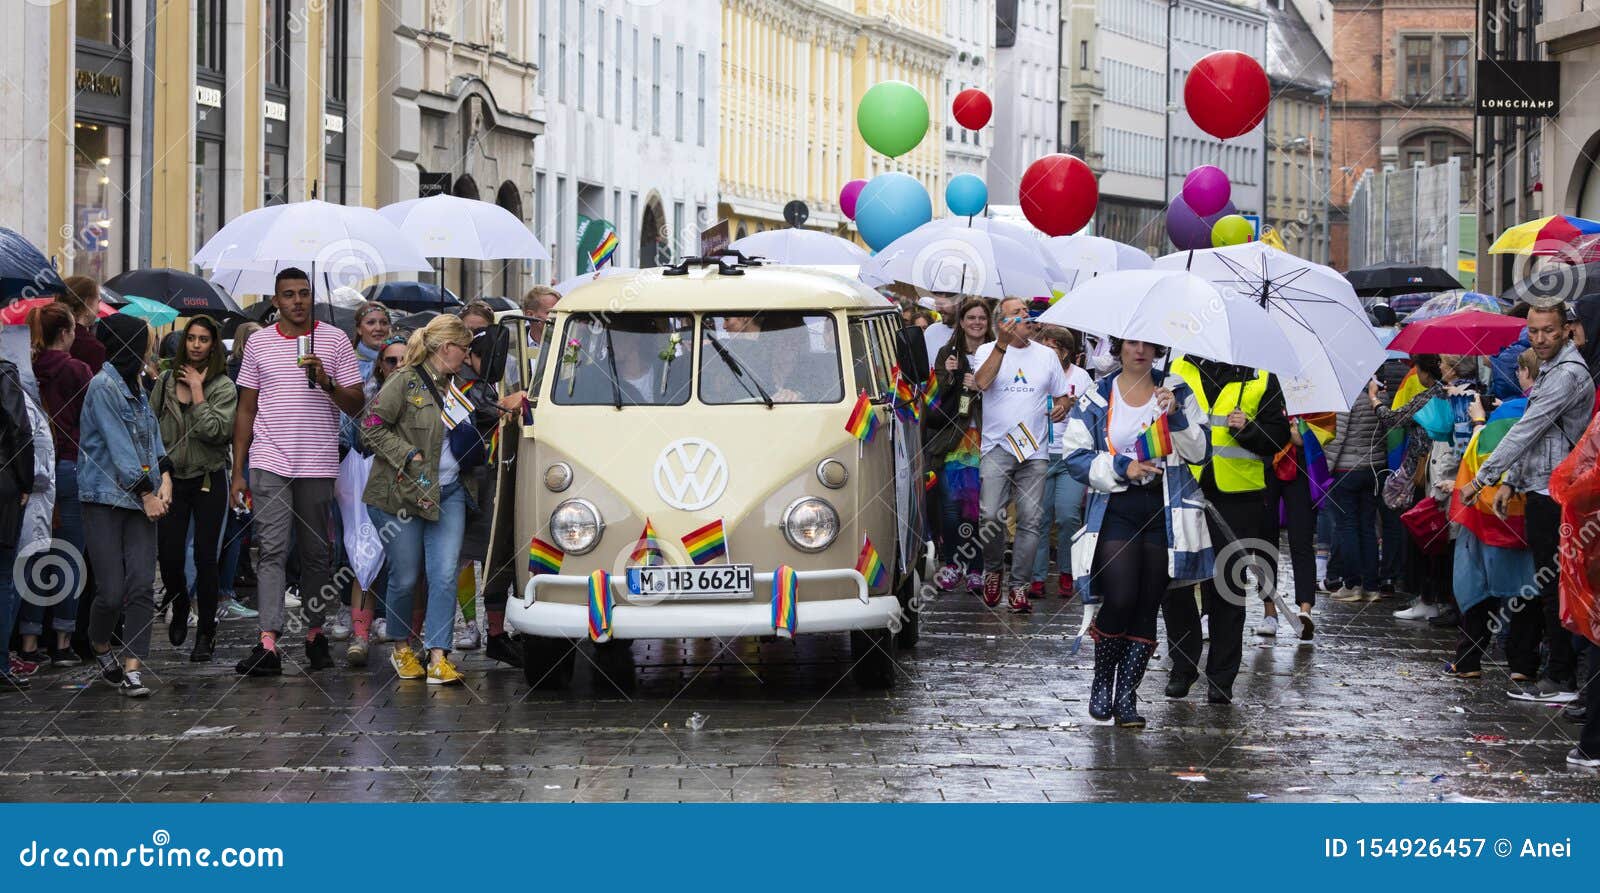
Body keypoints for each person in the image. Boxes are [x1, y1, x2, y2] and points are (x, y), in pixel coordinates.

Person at [1062, 338, 1211, 728]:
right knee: (1122, 594)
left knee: (1147, 602)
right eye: (1132, 343)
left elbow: (1200, 452)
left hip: (1164, 509)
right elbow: (1075, 456)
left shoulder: (1176, 389)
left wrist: (1176, 416)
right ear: (1119, 348)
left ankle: (1127, 697)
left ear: (1159, 349)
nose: (1140, 351)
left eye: (1148, 344)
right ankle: (1101, 682)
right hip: (1116, 507)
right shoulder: (1097, 395)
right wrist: (1121, 468)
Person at [231, 268, 365, 677]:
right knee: (270, 549)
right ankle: (268, 641)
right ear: (276, 302)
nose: (297, 301)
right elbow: (246, 409)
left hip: (318, 461)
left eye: (303, 294)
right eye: (288, 295)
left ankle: (315, 632)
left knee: (315, 553)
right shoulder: (259, 343)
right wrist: (238, 471)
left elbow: (357, 404)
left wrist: (326, 381)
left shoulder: (335, 340)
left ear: (311, 298)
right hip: (269, 460)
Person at [1460, 303, 1596, 703]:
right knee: (1548, 585)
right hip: (1540, 488)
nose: (1539, 339)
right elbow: (1541, 440)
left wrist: (1485, 478)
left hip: (1557, 495)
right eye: (1533, 331)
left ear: (1567, 330)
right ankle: (1560, 675)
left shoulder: (1567, 374)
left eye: (1548, 331)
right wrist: (1512, 483)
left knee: (1554, 587)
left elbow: (1528, 429)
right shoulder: (1552, 370)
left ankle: (1562, 678)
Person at [359, 315, 483, 686]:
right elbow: (369, 429)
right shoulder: (404, 380)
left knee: (444, 575)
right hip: (401, 495)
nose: (467, 355)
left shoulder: (457, 387)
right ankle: (401, 647)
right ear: (447, 348)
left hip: (449, 492)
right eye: (464, 348)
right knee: (407, 576)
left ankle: (438, 655)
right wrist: (408, 455)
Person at [1162, 355, 1290, 703]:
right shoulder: (1176, 368)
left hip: (1238, 496)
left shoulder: (1261, 375)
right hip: (1184, 489)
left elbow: (1278, 439)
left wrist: (1249, 428)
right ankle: (1183, 666)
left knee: (1227, 586)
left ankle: (1222, 677)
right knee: (1177, 583)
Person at [78, 315, 170, 698]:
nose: (150, 347)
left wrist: (165, 475)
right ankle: (99, 644)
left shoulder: (136, 383)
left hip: (140, 498)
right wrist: (146, 491)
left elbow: (151, 437)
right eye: (145, 341)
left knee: (141, 586)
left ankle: (133, 667)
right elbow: (118, 446)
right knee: (111, 592)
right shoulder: (103, 386)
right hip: (105, 497)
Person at [971, 296, 1074, 613]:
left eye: (1026, 312)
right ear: (1001, 321)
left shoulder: (1046, 356)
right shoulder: (986, 351)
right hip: (996, 448)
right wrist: (1001, 345)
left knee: (1031, 519)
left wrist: (1061, 407)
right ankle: (993, 570)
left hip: (1035, 450)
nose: (1025, 316)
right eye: (1016, 313)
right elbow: (981, 383)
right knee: (989, 516)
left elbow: (1062, 396)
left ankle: (1019, 587)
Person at [150, 316, 237, 661]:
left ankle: (206, 633)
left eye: (204, 339)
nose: (197, 344)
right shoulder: (168, 381)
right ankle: (180, 602)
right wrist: (159, 468)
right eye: (192, 338)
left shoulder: (223, 387)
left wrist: (199, 393)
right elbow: (150, 425)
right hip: (172, 478)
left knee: (205, 557)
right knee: (169, 556)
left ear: (213, 345)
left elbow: (217, 432)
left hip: (208, 477)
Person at [22, 303, 91, 665]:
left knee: (36, 553)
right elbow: (91, 419)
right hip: (71, 464)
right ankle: (63, 639)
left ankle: (31, 640)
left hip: (35, 470)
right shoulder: (77, 369)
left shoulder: (28, 369)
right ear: (65, 333)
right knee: (68, 555)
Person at [927, 298, 993, 595]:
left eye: (982, 318)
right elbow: (935, 399)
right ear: (962, 322)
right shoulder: (947, 353)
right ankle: (953, 564)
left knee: (976, 510)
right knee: (952, 508)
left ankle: (977, 569)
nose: (977, 322)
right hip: (954, 439)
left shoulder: (996, 354)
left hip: (987, 439)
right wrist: (949, 376)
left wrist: (979, 385)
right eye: (971, 317)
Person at [1029, 326, 1093, 599]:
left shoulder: (1082, 377)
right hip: (1039, 454)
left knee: (1068, 516)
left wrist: (1077, 405)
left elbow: (1095, 417)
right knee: (1039, 519)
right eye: (1042, 346)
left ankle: (1068, 572)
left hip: (1070, 458)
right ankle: (1037, 577)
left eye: (1052, 347)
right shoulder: (1034, 372)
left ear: (1065, 352)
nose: (1046, 352)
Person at [1324, 367, 1390, 602]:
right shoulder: (1380, 395)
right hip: (1373, 470)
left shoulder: (1346, 395)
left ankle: (1353, 584)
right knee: (1368, 528)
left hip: (1346, 470)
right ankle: (1371, 586)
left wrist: (1325, 469)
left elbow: (1338, 437)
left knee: (1347, 527)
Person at [215, 323, 262, 622]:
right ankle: (224, 592)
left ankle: (224, 588)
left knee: (235, 525)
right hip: (239, 457)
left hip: (237, 456)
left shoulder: (228, 370)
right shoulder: (240, 373)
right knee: (236, 523)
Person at [0, 350, 37, 691]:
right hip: (4, 486)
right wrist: (26, 481)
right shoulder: (4, 372)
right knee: (2, 577)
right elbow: (18, 429)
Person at [59, 275, 107, 373]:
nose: (99, 310)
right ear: (87, 303)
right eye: (98, 302)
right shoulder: (94, 348)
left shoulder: (47, 334)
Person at [350, 301, 392, 380]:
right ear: (359, 329)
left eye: (384, 323)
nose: (378, 328)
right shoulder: (347, 363)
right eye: (371, 323)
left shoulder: (401, 359)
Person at [922, 293, 960, 362]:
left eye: (942, 304)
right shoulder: (931, 331)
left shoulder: (972, 333)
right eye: (936, 304)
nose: (938, 309)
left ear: (957, 303)